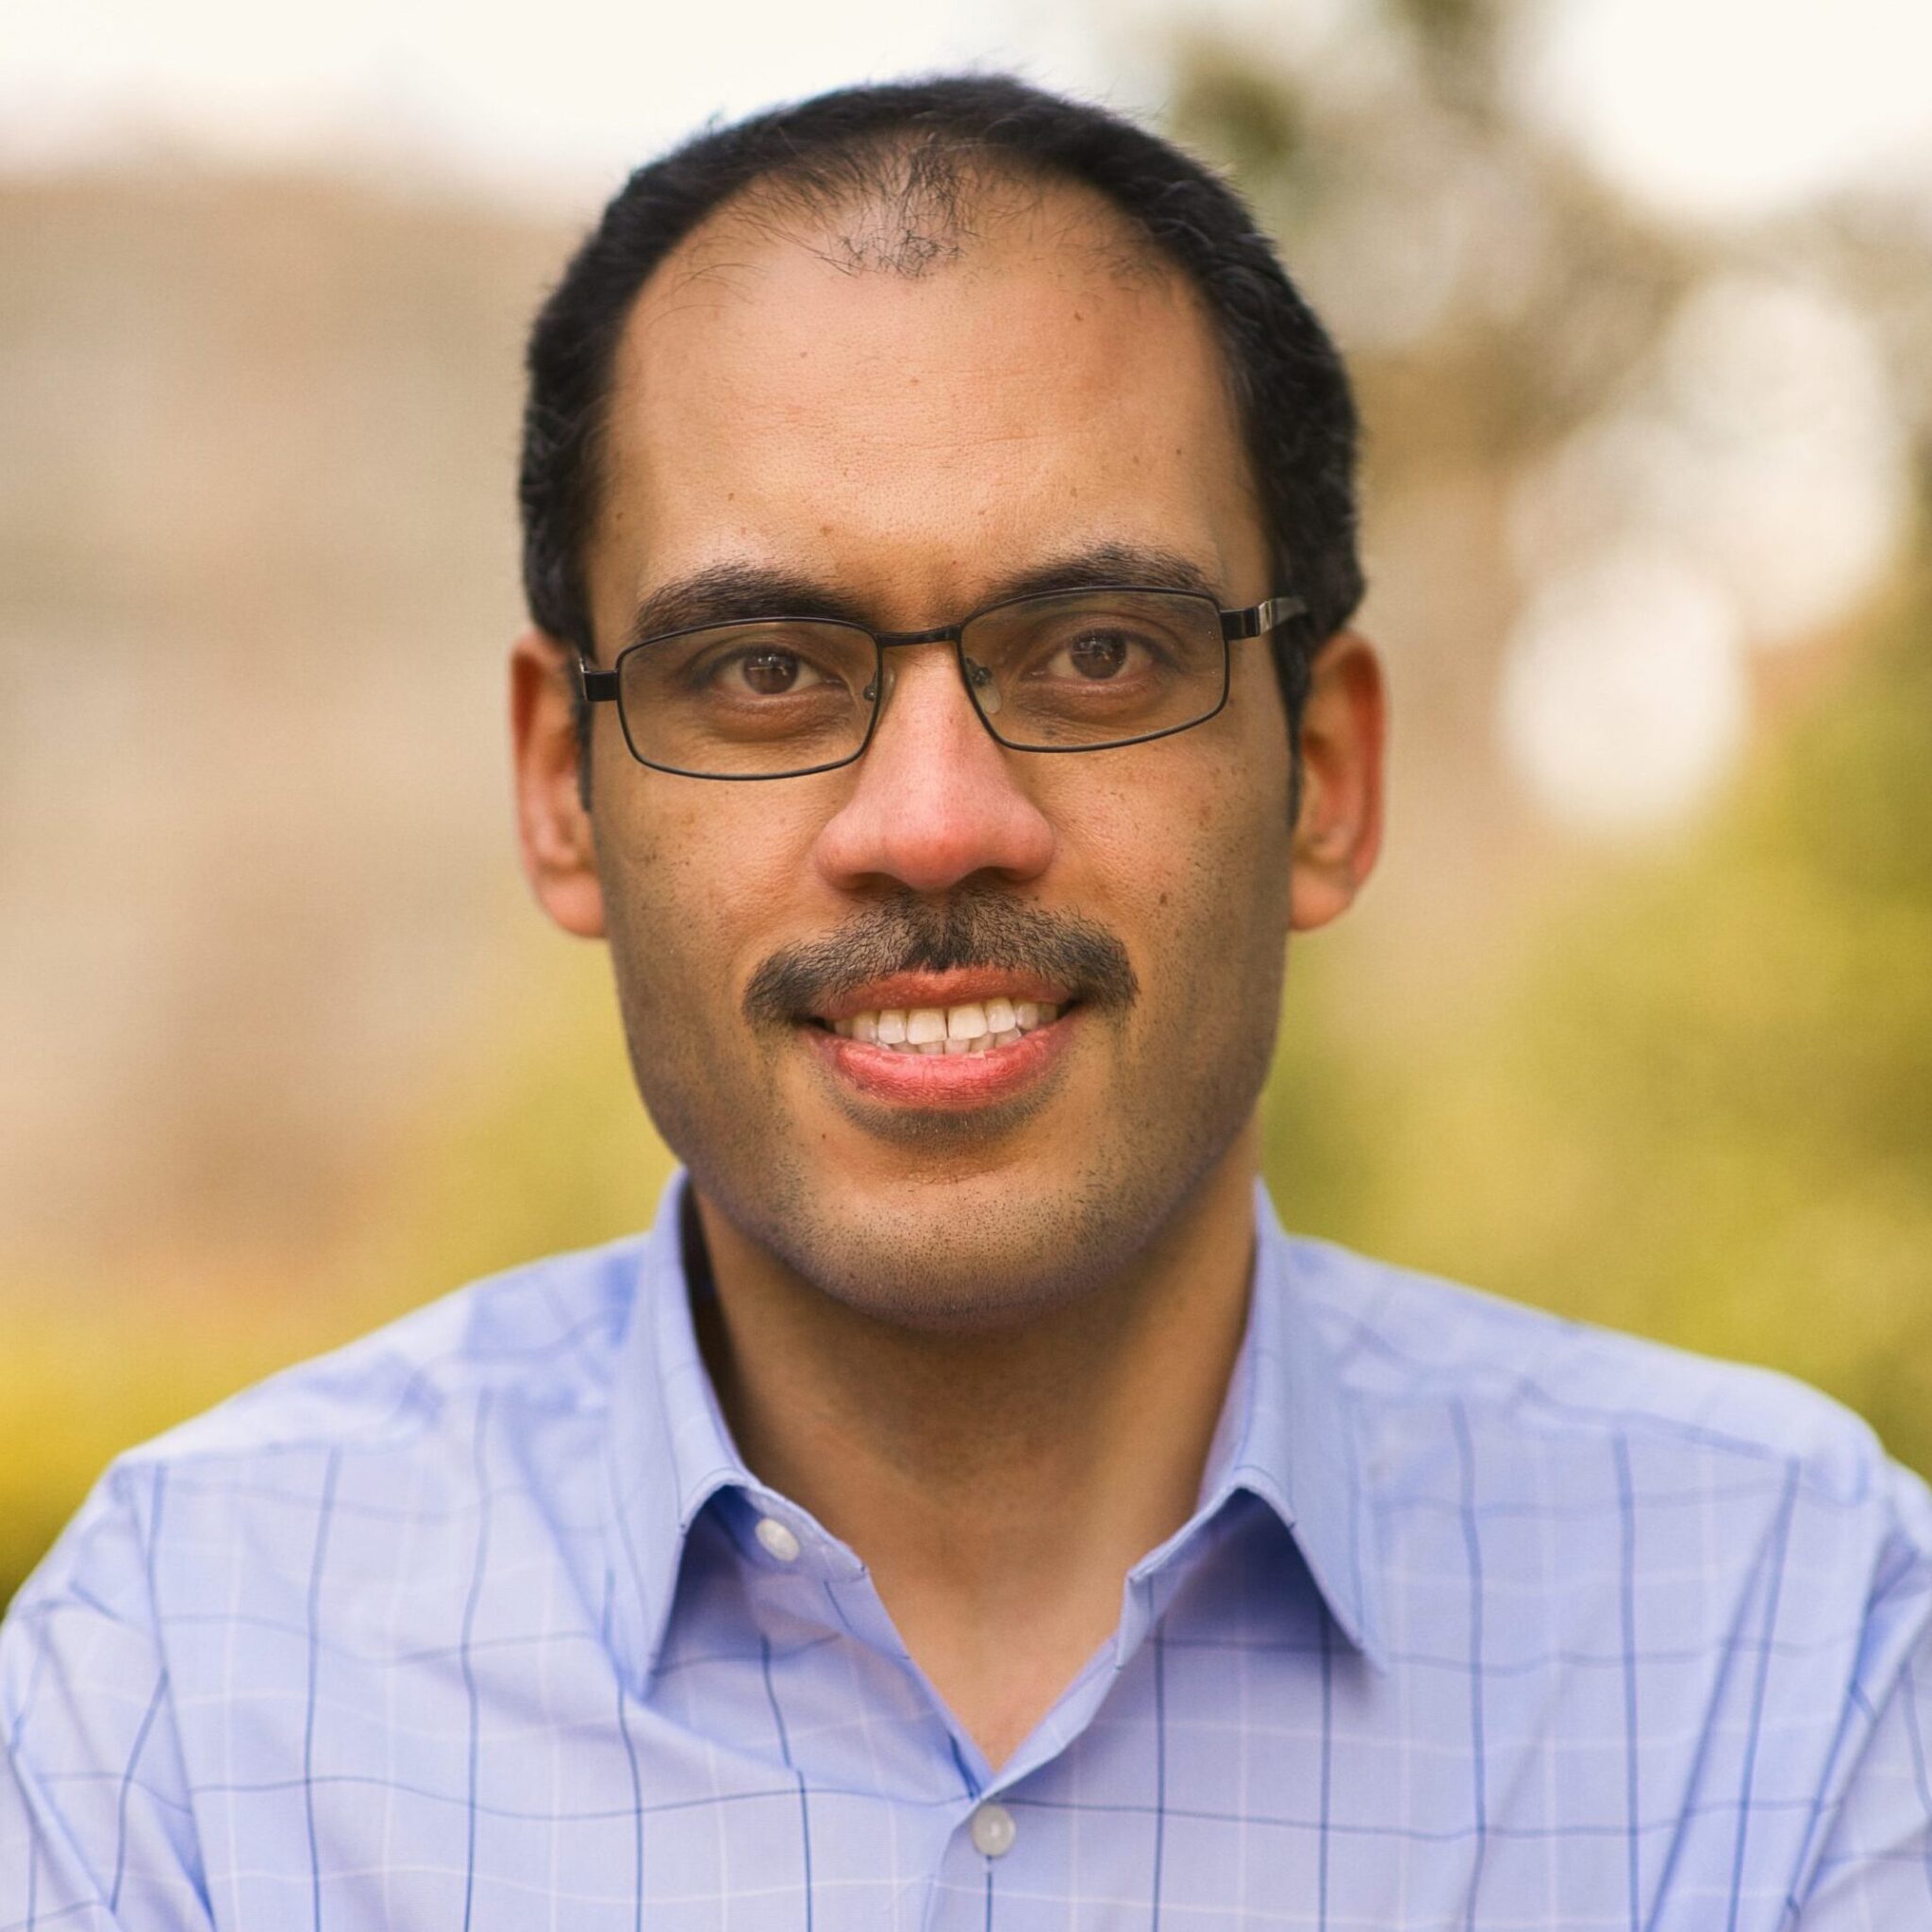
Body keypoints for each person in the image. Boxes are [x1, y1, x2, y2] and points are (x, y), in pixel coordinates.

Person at [4, 74, 1928, 1928]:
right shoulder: (193, 1677)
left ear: (1323, 775)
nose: (932, 825)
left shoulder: (1780, 1642)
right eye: (761, 669)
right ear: (556, 792)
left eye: (1098, 651)